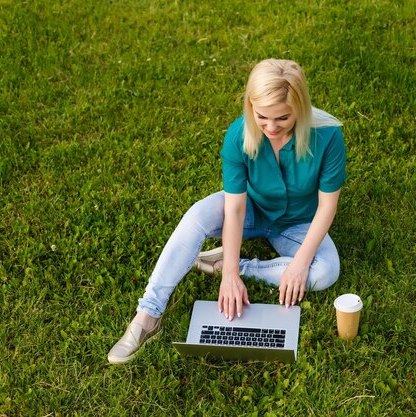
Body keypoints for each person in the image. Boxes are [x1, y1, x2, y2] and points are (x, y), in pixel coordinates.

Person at [108, 58, 346, 364]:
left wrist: (298, 264)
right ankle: (148, 315)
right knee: (197, 216)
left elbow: (327, 207)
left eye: (283, 118)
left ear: (300, 106)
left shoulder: (328, 136)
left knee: (326, 270)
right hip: (249, 210)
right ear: (250, 106)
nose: (271, 128)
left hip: (297, 223)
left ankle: (232, 264)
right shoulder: (238, 135)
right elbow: (234, 209)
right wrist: (229, 279)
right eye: (262, 117)